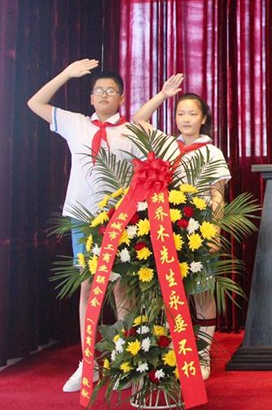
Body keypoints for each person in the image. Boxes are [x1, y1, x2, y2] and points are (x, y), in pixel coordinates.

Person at [27, 59, 137, 392]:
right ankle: (88, 361)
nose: (104, 95)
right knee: (88, 286)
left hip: (121, 218)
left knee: (122, 288)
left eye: (111, 91)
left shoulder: (133, 131)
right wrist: (66, 74)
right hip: (83, 219)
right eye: (98, 90)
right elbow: (35, 103)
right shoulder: (75, 123)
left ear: (121, 98)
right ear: (91, 97)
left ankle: (124, 359)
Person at [132, 74, 231, 381]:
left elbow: (217, 194)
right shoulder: (166, 145)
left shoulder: (211, 152)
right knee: (169, 292)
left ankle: (202, 355)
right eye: (180, 113)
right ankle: (172, 353)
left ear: (204, 119)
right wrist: (162, 96)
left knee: (202, 292)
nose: (186, 119)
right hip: (165, 226)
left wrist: (214, 232)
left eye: (192, 114)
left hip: (200, 228)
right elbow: (138, 120)